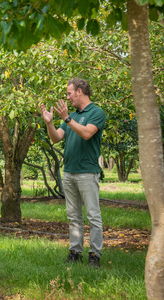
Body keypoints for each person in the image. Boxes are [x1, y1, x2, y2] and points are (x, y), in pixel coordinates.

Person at [40, 78, 106, 268]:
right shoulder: (73, 116)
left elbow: (87, 134)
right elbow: (56, 138)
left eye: (69, 93)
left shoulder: (96, 112)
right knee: (73, 215)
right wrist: (50, 123)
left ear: (79, 92)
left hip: (87, 172)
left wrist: (66, 118)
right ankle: (75, 251)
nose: (67, 97)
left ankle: (94, 254)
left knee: (93, 215)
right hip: (69, 172)